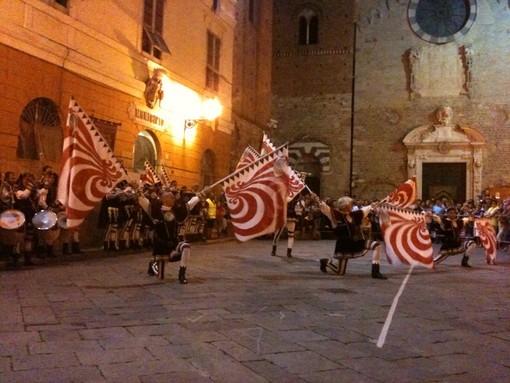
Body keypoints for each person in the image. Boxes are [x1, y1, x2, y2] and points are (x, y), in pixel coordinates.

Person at [314, 195, 387, 279]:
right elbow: (325, 208)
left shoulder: (354, 215)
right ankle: (325, 262)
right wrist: (317, 199)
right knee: (340, 272)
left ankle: (375, 271)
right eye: (350, 204)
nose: (352, 205)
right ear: (345, 206)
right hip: (344, 245)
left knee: (376, 245)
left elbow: (366, 209)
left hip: (356, 241)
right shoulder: (336, 215)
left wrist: (375, 204)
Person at [147, 189, 202, 283]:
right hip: (161, 247)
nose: (174, 199)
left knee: (186, 247)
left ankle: (182, 274)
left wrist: (201, 195)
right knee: (160, 277)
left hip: (174, 245)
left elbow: (189, 205)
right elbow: (145, 204)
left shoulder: (176, 211)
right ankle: (153, 264)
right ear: (165, 199)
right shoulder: (156, 211)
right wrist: (139, 194)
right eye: (171, 197)